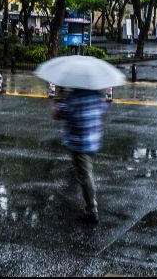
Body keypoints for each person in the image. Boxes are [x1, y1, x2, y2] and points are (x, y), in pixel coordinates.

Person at [51, 87, 106, 224]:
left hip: (80, 142)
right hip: (93, 139)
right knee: (86, 172)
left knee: (85, 175)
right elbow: (103, 111)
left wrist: (54, 100)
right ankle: (91, 207)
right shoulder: (96, 94)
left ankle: (92, 211)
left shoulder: (74, 97)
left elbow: (57, 114)